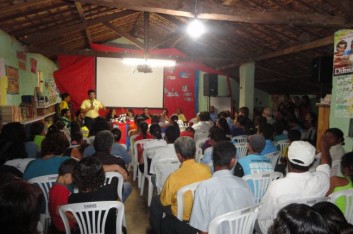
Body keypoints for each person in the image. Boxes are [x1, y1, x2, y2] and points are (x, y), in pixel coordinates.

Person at [257, 138, 331, 233]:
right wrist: (325, 148)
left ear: (287, 159)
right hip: (310, 229)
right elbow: (326, 164)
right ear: (312, 163)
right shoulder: (322, 179)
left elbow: (263, 215)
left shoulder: (276, 186)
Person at [148, 136, 211, 234]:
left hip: (183, 214)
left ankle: (155, 231)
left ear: (179, 155)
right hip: (202, 210)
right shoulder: (206, 169)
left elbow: (165, 201)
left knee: (156, 201)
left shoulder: (174, 177)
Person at [190, 141, 254, 234]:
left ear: (213, 160)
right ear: (233, 161)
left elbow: (202, 229)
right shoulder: (244, 184)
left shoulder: (204, 188)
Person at [69, 157, 125, 234]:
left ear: (76, 178)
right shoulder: (110, 191)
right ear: (102, 176)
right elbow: (118, 200)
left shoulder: (72, 199)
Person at [90, 130, 131, 202]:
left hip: (90, 198)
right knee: (127, 186)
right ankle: (118, 206)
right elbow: (124, 178)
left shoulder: (86, 162)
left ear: (94, 144)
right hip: (111, 197)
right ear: (110, 147)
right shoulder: (118, 162)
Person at [49, 158, 78, 233]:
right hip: (64, 226)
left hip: (60, 224)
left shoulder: (56, 186)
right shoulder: (60, 189)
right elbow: (59, 210)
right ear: (67, 175)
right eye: (73, 178)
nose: (73, 181)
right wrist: (74, 218)